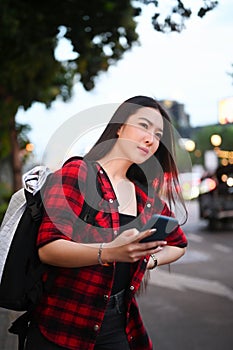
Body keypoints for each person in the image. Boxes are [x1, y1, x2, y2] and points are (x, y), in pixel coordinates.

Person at [25, 95, 188, 350]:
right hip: (62, 324)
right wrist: (111, 252)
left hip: (119, 324)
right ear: (120, 127)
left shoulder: (145, 197)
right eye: (144, 126)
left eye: (158, 135)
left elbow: (179, 244)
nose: (151, 139)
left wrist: (145, 260)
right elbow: (49, 248)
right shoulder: (77, 174)